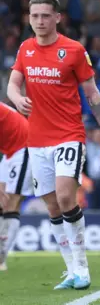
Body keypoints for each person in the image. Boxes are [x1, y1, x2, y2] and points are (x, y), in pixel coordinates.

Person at [6, 0, 100, 290]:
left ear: (58, 18)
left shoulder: (74, 50)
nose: (40, 21)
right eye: (34, 16)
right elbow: (13, 84)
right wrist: (17, 99)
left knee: (67, 197)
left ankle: (82, 267)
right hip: (36, 140)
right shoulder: (25, 49)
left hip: (69, 134)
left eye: (45, 15)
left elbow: (92, 94)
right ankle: (71, 270)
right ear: (28, 18)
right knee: (52, 206)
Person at [0, 102, 32, 271]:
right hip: (9, 152)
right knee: (1, 202)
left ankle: (1, 257)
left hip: (24, 148)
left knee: (12, 202)